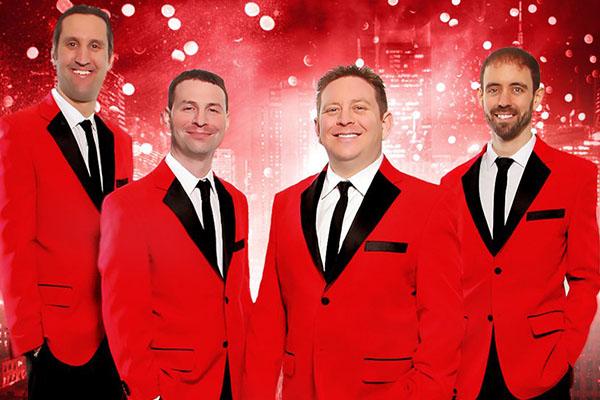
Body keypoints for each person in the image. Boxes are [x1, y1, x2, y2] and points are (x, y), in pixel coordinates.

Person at [243, 65, 463, 399]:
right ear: (317, 128)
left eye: (360, 108)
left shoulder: (429, 204)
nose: (345, 119)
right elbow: (269, 321)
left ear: (385, 123)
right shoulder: (286, 203)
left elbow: (443, 325)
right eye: (332, 110)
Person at [441, 47, 600, 399]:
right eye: (494, 89)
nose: (504, 100)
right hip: (464, 372)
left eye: (517, 88)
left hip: (541, 369)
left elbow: (587, 277)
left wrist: (565, 354)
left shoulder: (576, 176)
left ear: (537, 96)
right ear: (479, 96)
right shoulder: (451, 184)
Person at [0, 5, 132, 399]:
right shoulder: (19, 131)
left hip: (117, 340)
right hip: (55, 344)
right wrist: (30, 340)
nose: (83, 57)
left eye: (95, 46)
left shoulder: (120, 140)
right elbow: (12, 239)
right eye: (72, 44)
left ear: (110, 59)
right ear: (55, 52)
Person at [99, 69, 250, 400]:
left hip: (235, 384)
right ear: (166, 117)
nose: (201, 120)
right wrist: (147, 393)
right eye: (188, 107)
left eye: (213, 109)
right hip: (170, 390)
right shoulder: (126, 206)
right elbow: (123, 316)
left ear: (226, 119)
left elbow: (237, 299)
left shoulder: (237, 201)